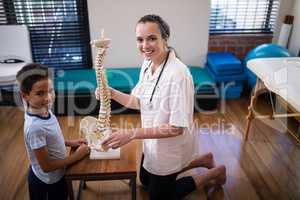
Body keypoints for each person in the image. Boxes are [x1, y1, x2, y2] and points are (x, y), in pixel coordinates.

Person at [100, 14, 226, 199]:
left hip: (170, 144)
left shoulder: (178, 74)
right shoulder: (147, 63)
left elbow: (175, 129)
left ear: (165, 38)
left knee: (159, 197)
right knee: (144, 181)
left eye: (151, 38)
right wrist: (111, 93)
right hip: (153, 142)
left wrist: (131, 134)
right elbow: (138, 102)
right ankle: (203, 160)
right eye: (140, 39)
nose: (145, 45)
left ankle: (215, 173)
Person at [16, 63, 90, 200]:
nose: (48, 98)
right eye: (40, 93)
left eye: (50, 91)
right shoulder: (34, 128)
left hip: (58, 174)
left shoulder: (43, 109)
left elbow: (50, 138)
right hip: (47, 183)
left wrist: (69, 142)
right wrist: (76, 156)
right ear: (25, 96)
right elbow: (47, 166)